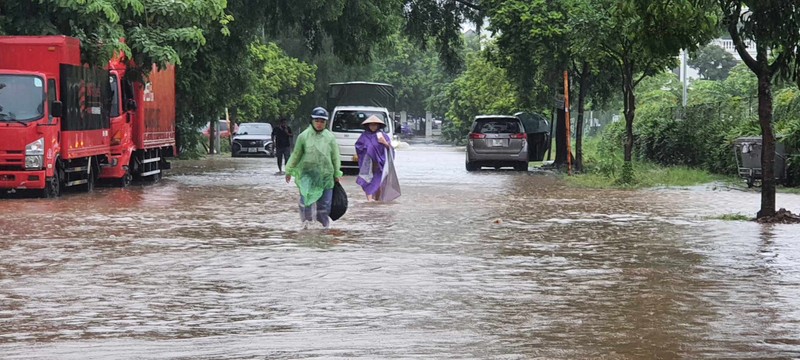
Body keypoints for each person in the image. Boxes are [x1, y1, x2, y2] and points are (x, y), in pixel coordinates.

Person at [285, 107, 343, 229]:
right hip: (307, 175)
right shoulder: (303, 137)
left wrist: (337, 174)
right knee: (306, 202)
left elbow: (335, 157)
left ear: (326, 122)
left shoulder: (330, 138)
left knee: (324, 206)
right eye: (317, 120)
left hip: (326, 176)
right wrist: (289, 170)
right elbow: (296, 155)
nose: (319, 124)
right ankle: (306, 226)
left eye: (322, 121)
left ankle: (323, 228)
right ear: (312, 121)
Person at [355, 115, 393, 202]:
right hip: (368, 163)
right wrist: (367, 149)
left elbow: (390, 149)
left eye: (375, 125)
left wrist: (384, 143)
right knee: (367, 181)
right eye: (371, 125)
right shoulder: (364, 136)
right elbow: (358, 147)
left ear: (378, 125)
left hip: (379, 163)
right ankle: (369, 200)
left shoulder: (383, 136)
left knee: (378, 183)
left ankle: (377, 200)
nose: (373, 127)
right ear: (368, 125)